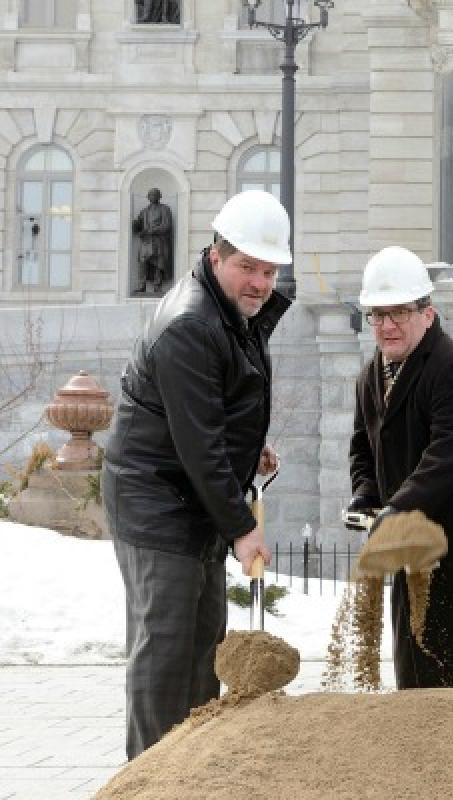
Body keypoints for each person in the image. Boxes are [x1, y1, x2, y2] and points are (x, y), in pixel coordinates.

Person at [102, 189, 291, 759]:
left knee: (203, 646)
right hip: (156, 503)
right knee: (165, 652)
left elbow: (215, 410)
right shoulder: (190, 324)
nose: (259, 282)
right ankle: (147, 782)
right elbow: (198, 442)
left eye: (269, 270)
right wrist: (241, 525)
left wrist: (251, 447)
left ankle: (192, 776)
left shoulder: (232, 312)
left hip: (190, 497)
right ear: (216, 256)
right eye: (247, 267)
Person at [347, 246, 453, 689]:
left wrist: (397, 509)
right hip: (413, 551)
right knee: (416, 679)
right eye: (377, 315)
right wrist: (366, 495)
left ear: (428, 312)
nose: (386, 326)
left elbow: (447, 455)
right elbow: (363, 450)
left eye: (399, 313)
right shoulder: (372, 375)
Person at [132, 188, 173, 294]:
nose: (153, 197)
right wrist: (135, 225)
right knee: (143, 262)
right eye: (151, 195)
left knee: (159, 263)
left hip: (159, 241)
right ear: (148, 197)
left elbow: (167, 225)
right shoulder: (144, 211)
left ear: (159, 196)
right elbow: (139, 226)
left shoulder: (165, 209)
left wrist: (152, 230)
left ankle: (157, 286)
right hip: (146, 242)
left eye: (155, 195)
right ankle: (142, 285)